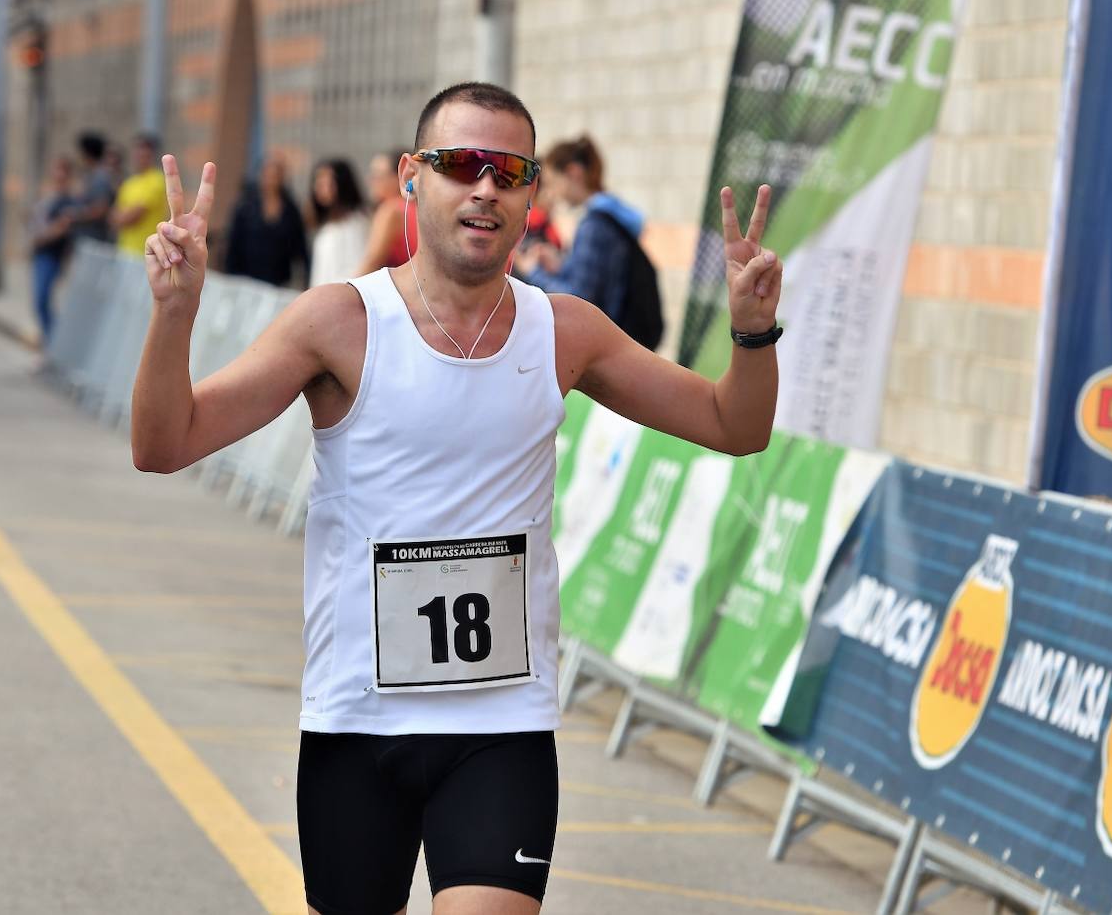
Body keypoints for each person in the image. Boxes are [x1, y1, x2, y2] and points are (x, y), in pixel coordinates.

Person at [131, 81, 782, 915]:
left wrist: (753, 331)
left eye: (508, 172)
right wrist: (174, 313)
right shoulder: (338, 323)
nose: (485, 188)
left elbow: (735, 425)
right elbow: (164, 443)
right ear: (412, 176)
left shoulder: (565, 331)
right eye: (461, 164)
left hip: (500, 725)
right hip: (357, 722)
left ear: (530, 194)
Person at [515, 135, 644, 329]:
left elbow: (580, 299)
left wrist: (534, 272)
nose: (551, 193)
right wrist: (561, 267)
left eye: (552, 182)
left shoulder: (593, 226)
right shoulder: (610, 216)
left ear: (573, 173)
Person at [222, 150, 309, 286]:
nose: (272, 179)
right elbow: (233, 242)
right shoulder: (246, 205)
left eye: (276, 175)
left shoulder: (290, 209)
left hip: (278, 280)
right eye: (268, 173)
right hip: (246, 278)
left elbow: (300, 246)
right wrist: (230, 277)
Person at [29, 155, 78, 346]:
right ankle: (50, 342)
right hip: (41, 254)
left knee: (42, 299)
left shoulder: (68, 201)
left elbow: (61, 228)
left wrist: (43, 236)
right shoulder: (48, 197)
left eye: (62, 170)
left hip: (53, 254)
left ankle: (54, 344)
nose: (58, 174)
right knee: (39, 302)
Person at [306, 158, 368, 287]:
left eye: (327, 182)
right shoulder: (328, 226)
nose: (320, 187)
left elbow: (356, 272)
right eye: (318, 182)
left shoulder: (355, 224)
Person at [354, 148, 417, 274]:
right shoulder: (415, 206)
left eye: (378, 175)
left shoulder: (392, 210)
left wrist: (348, 290)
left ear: (401, 176)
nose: (371, 181)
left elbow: (371, 262)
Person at [110, 133, 167, 258]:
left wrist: (124, 214)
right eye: (137, 150)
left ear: (152, 154)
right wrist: (123, 215)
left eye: (144, 151)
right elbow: (113, 217)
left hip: (145, 254)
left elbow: (132, 217)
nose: (139, 155)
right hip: (124, 251)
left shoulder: (156, 180)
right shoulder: (129, 183)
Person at [69, 131, 115, 245]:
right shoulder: (89, 175)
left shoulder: (100, 177)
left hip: (95, 241)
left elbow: (101, 209)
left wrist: (75, 216)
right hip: (85, 238)